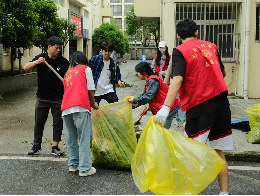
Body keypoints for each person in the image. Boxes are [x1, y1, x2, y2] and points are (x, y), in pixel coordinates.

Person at [155, 19, 233, 195]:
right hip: (221, 105)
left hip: (199, 107)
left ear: (178, 35)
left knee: (190, 154)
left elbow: (178, 79)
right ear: (196, 32)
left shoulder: (179, 51)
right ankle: (224, 193)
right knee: (218, 153)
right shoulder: (211, 46)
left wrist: (166, 107)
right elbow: (222, 72)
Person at [24, 36, 70, 156]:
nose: (58, 50)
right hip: (42, 98)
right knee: (39, 122)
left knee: (57, 124)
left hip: (58, 98)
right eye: (56, 48)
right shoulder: (41, 58)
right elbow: (25, 67)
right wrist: (36, 62)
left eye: (60, 48)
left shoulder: (64, 62)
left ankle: (55, 147)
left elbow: (68, 78)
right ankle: (36, 145)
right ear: (49, 47)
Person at [61, 51, 98, 177]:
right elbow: (90, 91)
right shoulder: (86, 69)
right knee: (84, 137)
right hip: (80, 107)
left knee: (71, 138)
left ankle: (73, 165)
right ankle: (85, 168)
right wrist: (93, 104)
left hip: (66, 109)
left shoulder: (68, 73)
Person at [128, 62, 180, 129]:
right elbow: (145, 95)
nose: (137, 74)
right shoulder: (150, 80)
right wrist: (133, 103)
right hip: (166, 107)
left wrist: (135, 100)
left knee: (162, 130)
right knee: (160, 129)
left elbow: (148, 97)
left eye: (137, 72)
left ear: (143, 72)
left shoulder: (153, 80)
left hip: (169, 107)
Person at [88, 41, 125, 105]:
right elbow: (85, 68)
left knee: (116, 107)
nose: (107, 53)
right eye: (105, 51)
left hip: (108, 89)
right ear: (101, 50)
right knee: (92, 111)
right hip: (96, 90)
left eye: (109, 51)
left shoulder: (113, 62)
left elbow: (117, 75)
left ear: (112, 52)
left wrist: (119, 81)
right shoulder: (94, 60)